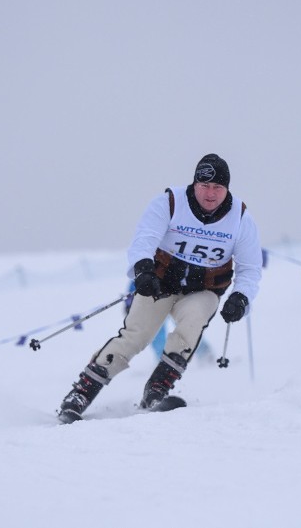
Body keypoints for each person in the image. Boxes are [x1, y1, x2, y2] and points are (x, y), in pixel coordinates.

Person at [57, 154, 263, 423]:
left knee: (192, 323)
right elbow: (144, 239)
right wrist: (143, 270)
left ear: (227, 189)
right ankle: (80, 394)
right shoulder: (170, 202)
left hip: (203, 291)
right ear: (194, 184)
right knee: (136, 335)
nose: (211, 194)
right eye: (205, 186)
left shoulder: (240, 218)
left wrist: (241, 297)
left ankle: (156, 392)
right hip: (161, 284)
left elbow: (251, 269)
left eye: (218, 187)